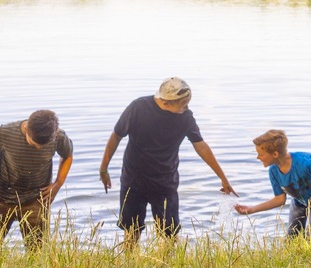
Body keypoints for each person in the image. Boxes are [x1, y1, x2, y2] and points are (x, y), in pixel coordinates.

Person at [99, 77, 238, 249]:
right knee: (131, 230)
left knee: (169, 233)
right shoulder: (138, 108)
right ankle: (129, 260)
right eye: (183, 104)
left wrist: (223, 178)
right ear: (166, 103)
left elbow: (201, 146)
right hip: (133, 180)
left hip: (165, 182)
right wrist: (104, 169)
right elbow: (116, 136)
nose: (187, 108)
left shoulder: (186, 117)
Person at [0, 109, 73, 250]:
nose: (39, 148)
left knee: (37, 251)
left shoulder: (59, 137)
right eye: (34, 144)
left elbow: (67, 155)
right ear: (26, 128)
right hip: (1, 196)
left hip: (36, 199)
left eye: (43, 146)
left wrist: (58, 184)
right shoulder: (4, 133)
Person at [234, 129, 311, 237]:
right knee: (292, 235)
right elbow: (279, 200)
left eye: (261, 154)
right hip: (300, 200)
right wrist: (250, 210)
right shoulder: (274, 171)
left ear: (275, 154)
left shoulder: (306, 164)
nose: (258, 158)